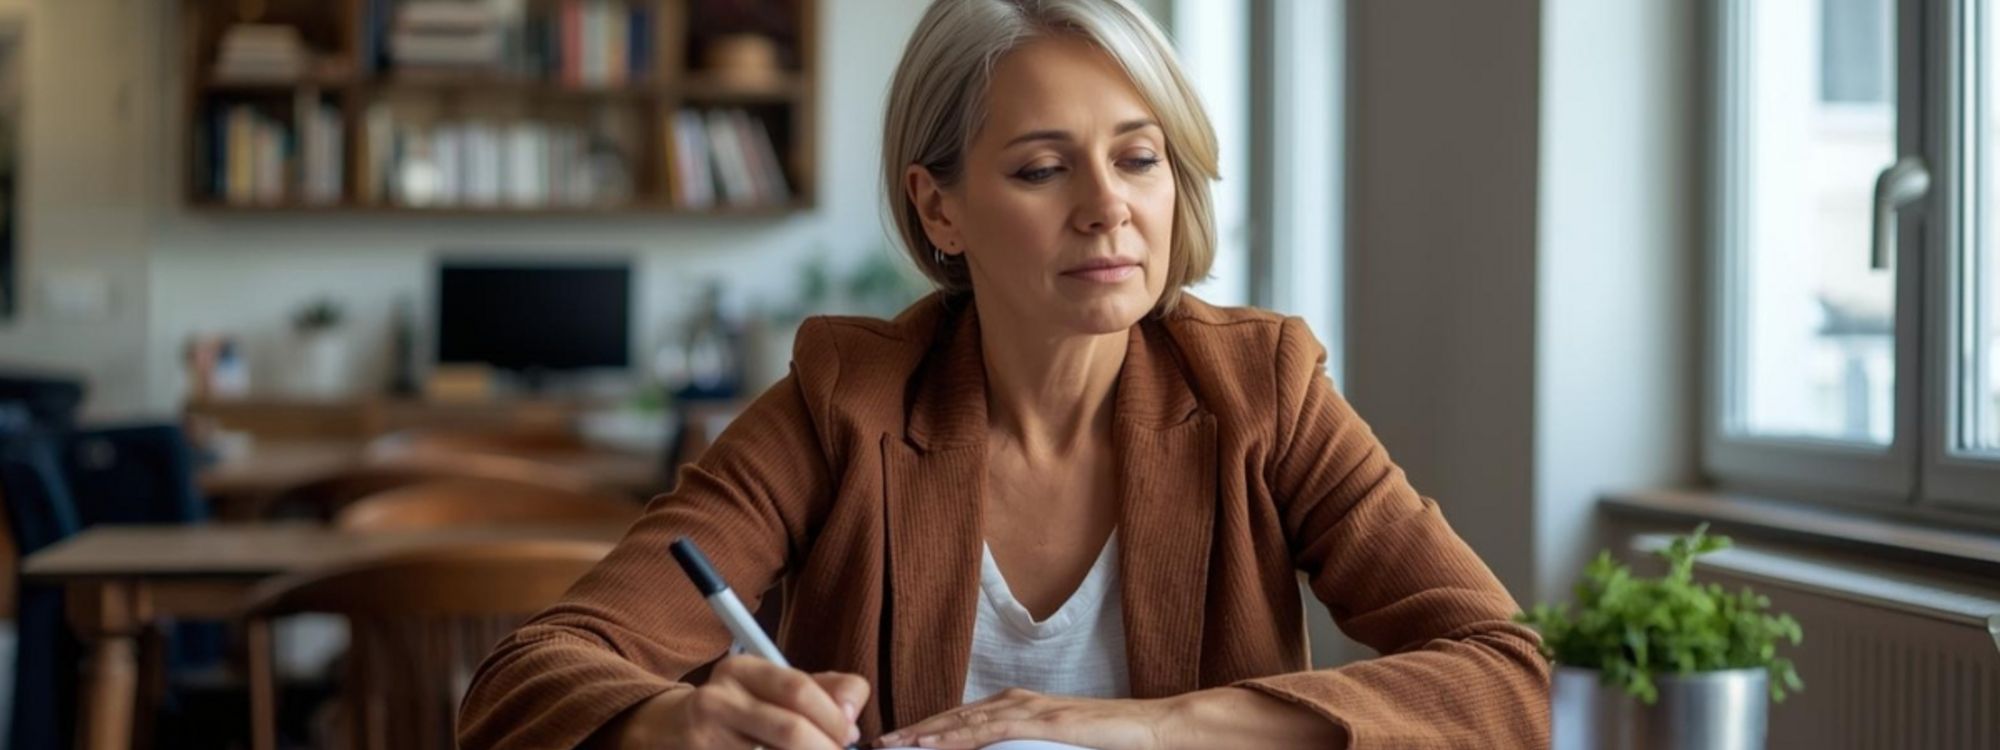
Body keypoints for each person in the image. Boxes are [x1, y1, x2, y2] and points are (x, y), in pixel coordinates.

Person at [457, 1, 1549, 748]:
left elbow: (1504, 675)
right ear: (938, 208)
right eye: (1039, 167)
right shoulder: (843, 405)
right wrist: (665, 723)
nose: (1106, 205)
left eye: (1137, 156)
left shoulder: (1259, 390)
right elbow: (528, 679)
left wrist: (1159, 726)